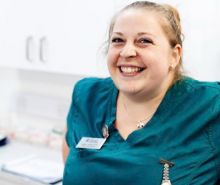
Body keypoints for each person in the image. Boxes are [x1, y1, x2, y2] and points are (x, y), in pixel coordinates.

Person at [62, 1, 220, 185]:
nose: (127, 51)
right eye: (118, 40)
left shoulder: (210, 106)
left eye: (144, 41)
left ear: (174, 55)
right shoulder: (86, 96)